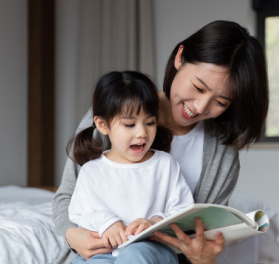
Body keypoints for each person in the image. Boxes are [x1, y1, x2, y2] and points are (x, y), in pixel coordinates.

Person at [53, 20, 269, 264]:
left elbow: (199, 231)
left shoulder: (221, 155)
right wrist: (72, 236)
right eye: (198, 87)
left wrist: (203, 259)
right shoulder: (114, 110)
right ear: (180, 57)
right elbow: (68, 198)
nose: (199, 107)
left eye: (220, 102)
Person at [65, 71, 194, 264]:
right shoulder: (91, 171)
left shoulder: (165, 165)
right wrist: (106, 222)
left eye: (150, 122)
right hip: (105, 252)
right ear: (102, 125)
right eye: (129, 124)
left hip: (152, 249)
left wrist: (154, 223)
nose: (142, 132)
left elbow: (184, 211)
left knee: (134, 255)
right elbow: (78, 213)